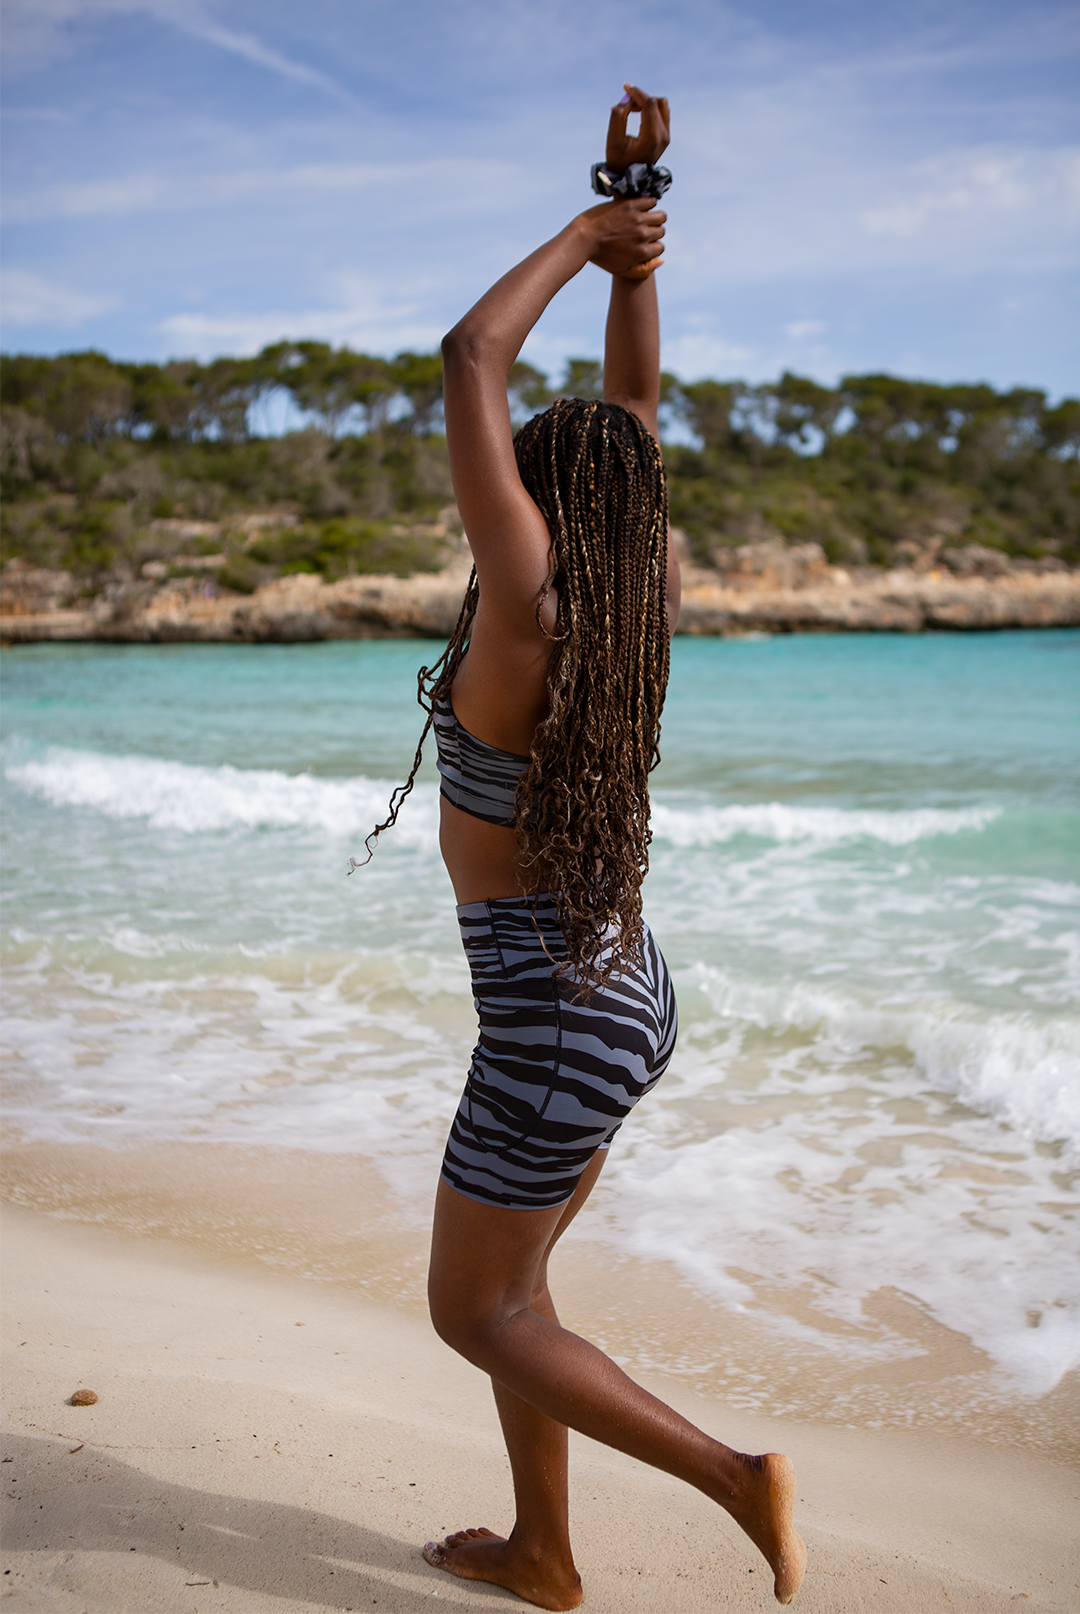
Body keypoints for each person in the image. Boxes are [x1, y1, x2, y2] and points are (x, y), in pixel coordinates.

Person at [364, 85, 805, 1610]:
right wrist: (639, 251)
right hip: (628, 993)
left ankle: (734, 1477)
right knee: (525, 1290)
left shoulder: (524, 612)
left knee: (472, 1310)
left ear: (539, 511)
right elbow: (635, 417)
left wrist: (585, 228)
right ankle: (544, 1550)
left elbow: (471, 355)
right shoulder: (629, 603)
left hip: (557, 1021)